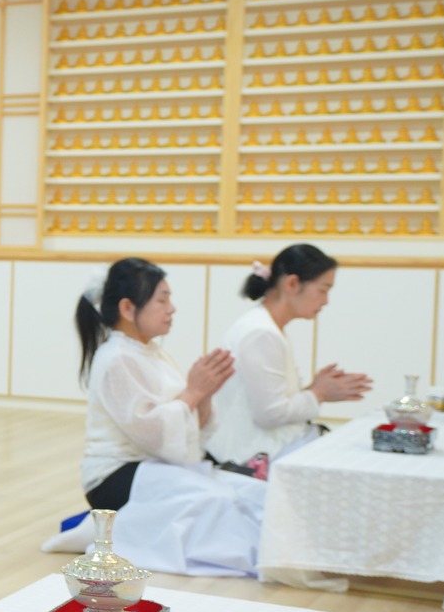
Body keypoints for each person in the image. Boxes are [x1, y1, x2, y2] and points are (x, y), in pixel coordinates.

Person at [72, 257, 265, 576]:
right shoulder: (116, 358)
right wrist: (193, 392)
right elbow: (151, 433)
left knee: (249, 492)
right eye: (162, 300)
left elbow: (185, 425)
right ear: (127, 308)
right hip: (115, 477)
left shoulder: (153, 352)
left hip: (153, 466)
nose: (171, 308)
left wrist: (204, 394)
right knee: (217, 499)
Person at [208, 245, 370, 471]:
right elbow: (269, 415)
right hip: (250, 456)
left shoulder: (266, 327)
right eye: (323, 290)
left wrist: (314, 390)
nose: (326, 301)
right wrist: (319, 393)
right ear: (292, 284)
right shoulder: (261, 332)